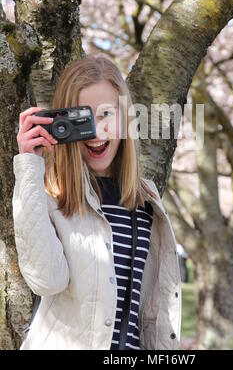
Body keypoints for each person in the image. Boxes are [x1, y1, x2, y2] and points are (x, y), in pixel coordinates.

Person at [12, 55, 182, 350]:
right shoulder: (51, 193)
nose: (96, 130)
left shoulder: (146, 200)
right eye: (83, 116)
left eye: (106, 114)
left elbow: (151, 310)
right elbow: (46, 281)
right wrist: (29, 163)